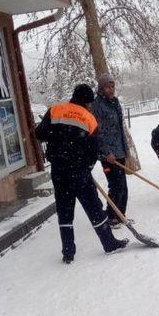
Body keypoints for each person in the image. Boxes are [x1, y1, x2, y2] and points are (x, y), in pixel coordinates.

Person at [35, 84, 128, 263]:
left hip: (58, 170)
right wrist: (87, 166)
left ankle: (68, 252)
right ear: (87, 102)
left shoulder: (54, 110)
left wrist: (59, 139)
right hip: (79, 171)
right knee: (94, 208)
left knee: (64, 210)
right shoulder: (89, 118)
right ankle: (109, 243)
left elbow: (40, 134)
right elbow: (95, 148)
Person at [92, 73, 128, 227]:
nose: (111, 89)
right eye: (108, 86)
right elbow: (97, 132)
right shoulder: (96, 105)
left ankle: (120, 216)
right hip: (108, 155)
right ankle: (112, 216)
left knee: (123, 187)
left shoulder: (115, 102)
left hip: (119, 150)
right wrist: (106, 153)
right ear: (101, 88)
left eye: (112, 86)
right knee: (116, 185)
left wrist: (125, 149)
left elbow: (119, 128)